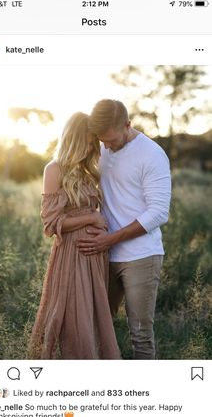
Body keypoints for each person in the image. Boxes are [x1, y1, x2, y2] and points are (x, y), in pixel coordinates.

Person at [77, 99, 171, 359]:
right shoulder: (103, 148)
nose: (105, 146)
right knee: (97, 327)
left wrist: (110, 239)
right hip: (104, 255)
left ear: (128, 125)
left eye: (110, 139)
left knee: (140, 334)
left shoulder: (152, 154)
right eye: (101, 140)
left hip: (141, 256)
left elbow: (158, 213)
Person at [29, 112, 120, 360]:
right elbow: (50, 223)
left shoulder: (88, 170)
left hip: (95, 253)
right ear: (75, 139)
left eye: (94, 142)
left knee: (92, 314)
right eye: (88, 141)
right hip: (72, 252)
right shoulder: (54, 169)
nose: (92, 147)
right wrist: (91, 218)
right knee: (71, 313)